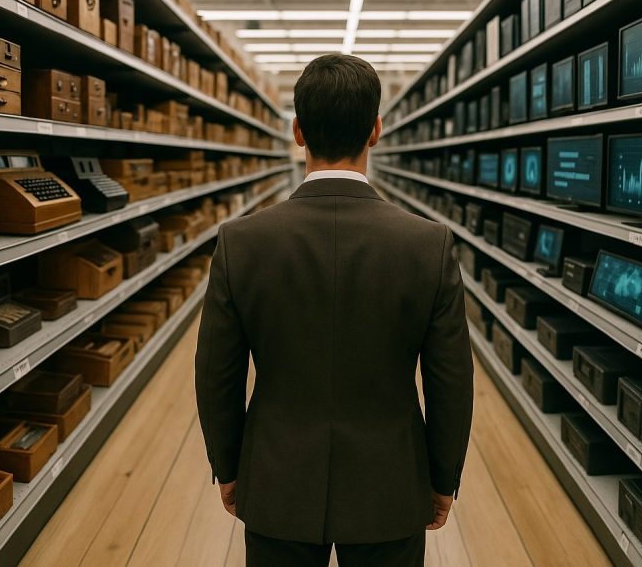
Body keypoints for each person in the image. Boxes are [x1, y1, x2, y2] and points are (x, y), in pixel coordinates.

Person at [195, 54, 473, 567]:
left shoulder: (242, 242)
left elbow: (217, 375)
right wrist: (442, 478)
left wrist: (229, 468)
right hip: (391, 485)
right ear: (376, 131)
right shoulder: (427, 245)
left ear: (297, 131)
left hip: (277, 481)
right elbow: (451, 382)